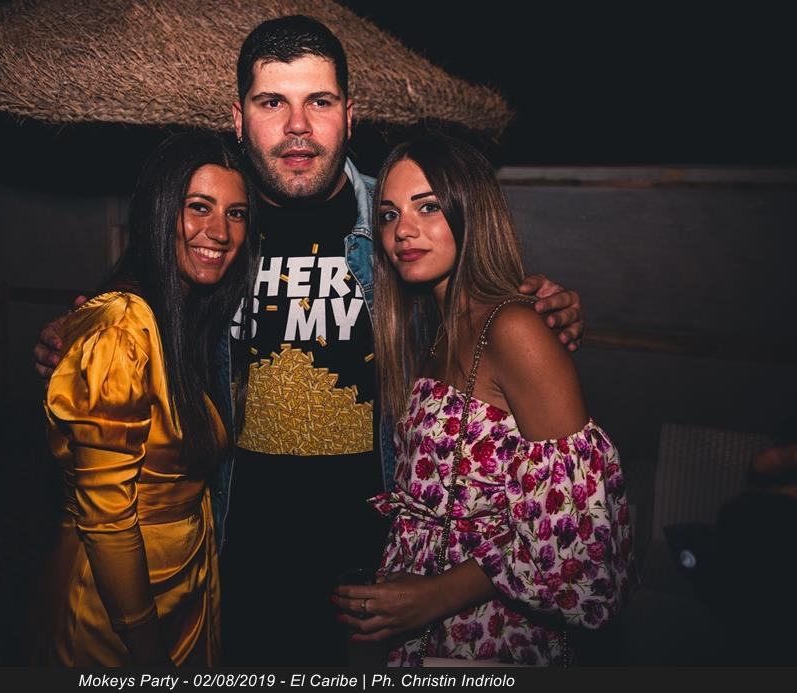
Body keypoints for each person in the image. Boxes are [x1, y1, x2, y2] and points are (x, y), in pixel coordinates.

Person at [33, 16, 586, 665]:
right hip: (236, 552)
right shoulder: (212, 220)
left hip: (377, 563)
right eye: (272, 103)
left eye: (319, 102)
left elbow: (481, 302)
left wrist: (544, 308)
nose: (297, 126)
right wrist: (75, 336)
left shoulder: (398, 217)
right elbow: (138, 303)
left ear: (349, 115)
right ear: (238, 118)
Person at [333, 134, 636, 666]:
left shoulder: (514, 328)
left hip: (493, 635)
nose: (403, 230)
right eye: (388, 214)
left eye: (428, 207)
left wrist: (434, 595)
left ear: (471, 211)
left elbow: (577, 538)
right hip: (428, 630)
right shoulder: (434, 329)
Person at [32, 132, 258, 667]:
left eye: (236, 213)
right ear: (160, 212)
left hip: (181, 585)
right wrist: (148, 650)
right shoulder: (124, 327)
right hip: (114, 608)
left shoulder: (187, 319)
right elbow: (107, 519)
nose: (220, 232)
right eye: (198, 207)